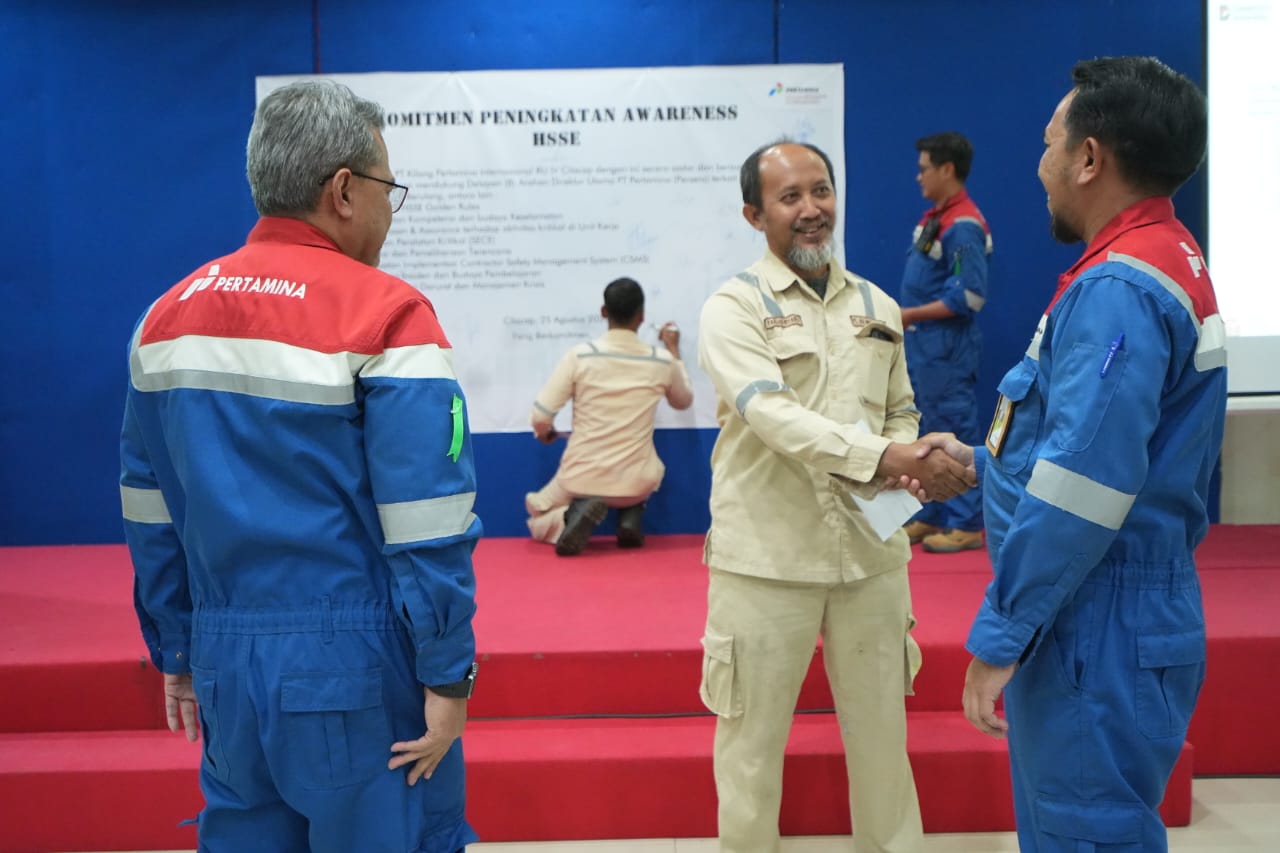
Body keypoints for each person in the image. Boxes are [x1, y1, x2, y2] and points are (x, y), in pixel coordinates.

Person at [119, 80, 480, 853]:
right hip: (356, 666)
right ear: (345, 191)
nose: (390, 207)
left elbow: (148, 505)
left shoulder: (165, 318)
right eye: (389, 187)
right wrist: (448, 673)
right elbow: (429, 520)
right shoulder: (387, 314)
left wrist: (177, 649)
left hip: (224, 662)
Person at [922, 57, 1226, 852]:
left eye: (1051, 142)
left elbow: (1086, 484)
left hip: (1095, 615)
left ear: (1090, 159)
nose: (1040, 164)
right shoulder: (1163, 254)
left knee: (1083, 836)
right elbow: (1101, 446)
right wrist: (983, 460)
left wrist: (1000, 635)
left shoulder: (1118, 287)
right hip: (1110, 603)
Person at [696, 139, 976, 853]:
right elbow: (771, 415)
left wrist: (908, 457)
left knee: (884, 743)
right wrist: (884, 455)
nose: (812, 209)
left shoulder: (878, 303)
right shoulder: (733, 307)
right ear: (755, 214)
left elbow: (901, 408)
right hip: (766, 560)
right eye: (790, 198)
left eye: (821, 191)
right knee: (751, 754)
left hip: (871, 558)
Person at [525, 277, 693, 555]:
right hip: (639, 482)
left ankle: (568, 518)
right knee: (641, 472)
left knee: (536, 510)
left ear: (604, 312)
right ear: (642, 316)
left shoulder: (580, 357)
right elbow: (683, 401)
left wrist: (545, 434)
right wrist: (673, 349)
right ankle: (631, 514)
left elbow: (541, 416)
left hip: (581, 479)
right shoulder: (661, 361)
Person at [899, 132, 992, 554]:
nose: (918, 177)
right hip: (924, 350)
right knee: (924, 428)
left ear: (947, 169)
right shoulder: (936, 217)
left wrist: (909, 315)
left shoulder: (964, 226)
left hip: (946, 350)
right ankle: (930, 512)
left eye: (924, 169)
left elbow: (969, 296)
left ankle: (967, 522)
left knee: (954, 429)